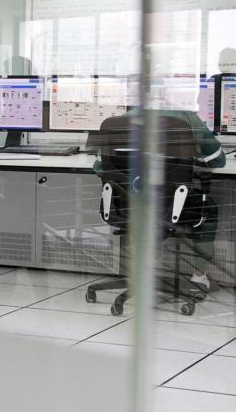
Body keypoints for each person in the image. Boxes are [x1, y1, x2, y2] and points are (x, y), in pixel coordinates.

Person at [93, 107, 225, 290]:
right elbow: (217, 161)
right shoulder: (187, 119)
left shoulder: (123, 120)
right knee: (207, 208)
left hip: (124, 204)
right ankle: (199, 275)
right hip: (168, 206)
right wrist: (185, 161)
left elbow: (100, 166)